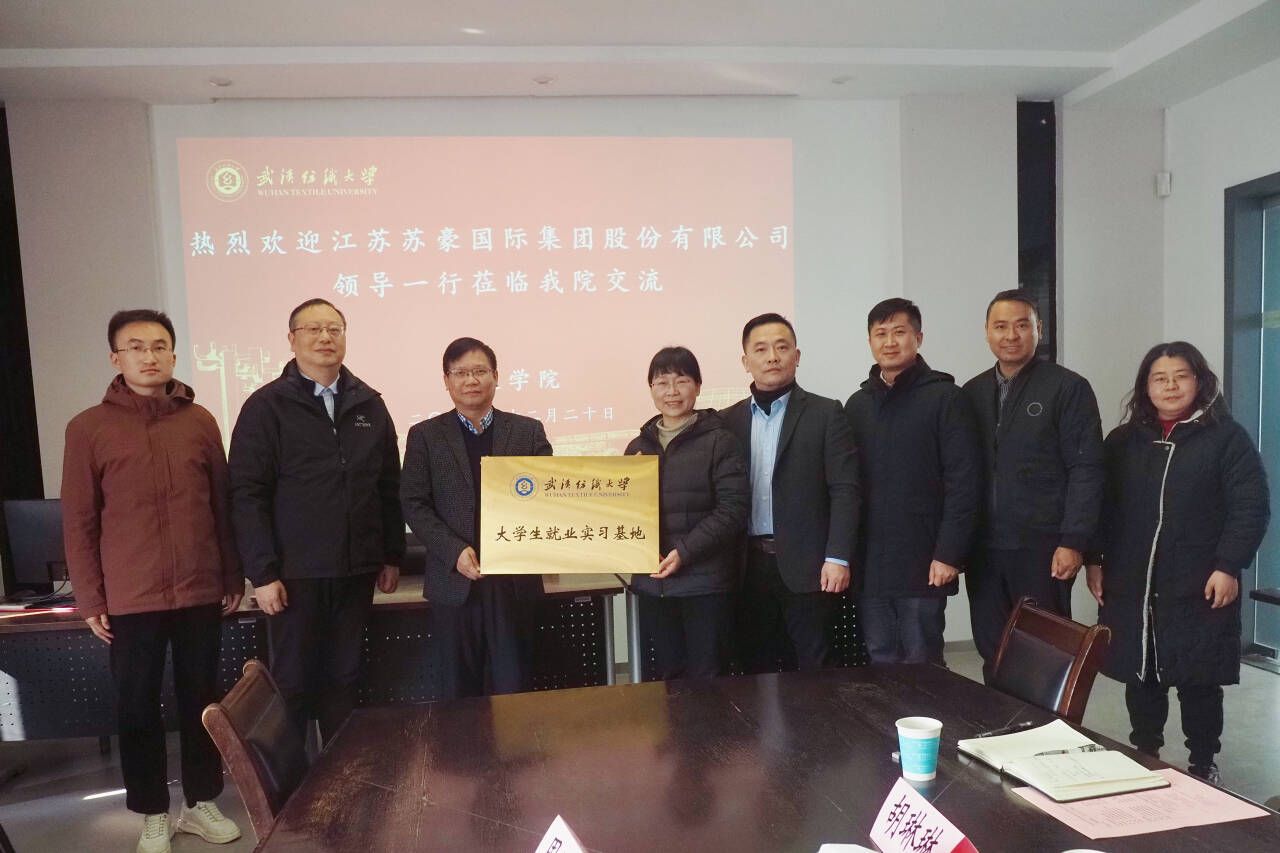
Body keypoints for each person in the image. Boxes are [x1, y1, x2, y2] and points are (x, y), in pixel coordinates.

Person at [62, 310, 242, 853]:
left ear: (173, 355)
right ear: (115, 358)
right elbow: (79, 520)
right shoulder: (88, 428)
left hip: (199, 588)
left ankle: (201, 802)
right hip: (131, 595)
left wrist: (231, 573)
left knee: (201, 700)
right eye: (136, 346)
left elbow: (222, 505)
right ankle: (152, 812)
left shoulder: (200, 421)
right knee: (137, 705)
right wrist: (90, 596)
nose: (149, 356)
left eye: (160, 346)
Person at [1086, 342, 1269, 785]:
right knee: (1142, 672)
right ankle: (1144, 751)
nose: (1170, 386)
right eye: (1160, 378)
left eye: (1180, 376)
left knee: (1198, 678)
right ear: (1145, 387)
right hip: (1133, 580)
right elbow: (1100, 506)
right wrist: (1094, 559)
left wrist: (1228, 565)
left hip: (1200, 582)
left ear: (1199, 381)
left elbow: (1250, 506)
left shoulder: (1226, 438)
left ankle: (1203, 763)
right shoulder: (1124, 441)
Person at [229, 298, 403, 743]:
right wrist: (262, 573)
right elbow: (247, 495)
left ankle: (339, 778)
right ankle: (290, 782)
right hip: (294, 575)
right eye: (313, 329)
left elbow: (388, 485)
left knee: (346, 679)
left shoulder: (368, 404)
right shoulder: (266, 406)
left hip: (356, 571)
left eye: (334, 329)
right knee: (292, 684)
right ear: (292, 339)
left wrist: (391, 554)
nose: (325, 337)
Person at [962, 290, 1105, 679]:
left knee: (1045, 649)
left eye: (1022, 325)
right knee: (993, 648)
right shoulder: (971, 392)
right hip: (985, 548)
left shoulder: (1067, 387)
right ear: (987, 332)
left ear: (1038, 329)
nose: (1011, 335)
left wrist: (1074, 541)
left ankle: (1041, 719)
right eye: (1001, 326)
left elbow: (1087, 469)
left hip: (1043, 546)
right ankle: (998, 715)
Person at [400, 337, 553, 698]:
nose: (471, 380)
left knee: (515, 689)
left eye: (480, 371)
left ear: (496, 376)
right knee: (458, 693)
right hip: (454, 582)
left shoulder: (527, 431)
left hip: (513, 582)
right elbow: (414, 503)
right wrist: (453, 550)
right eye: (461, 372)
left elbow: (549, 497)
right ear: (447, 380)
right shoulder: (425, 436)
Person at [844, 299, 981, 665]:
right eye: (881, 334)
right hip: (870, 564)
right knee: (879, 656)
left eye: (899, 332)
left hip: (924, 561)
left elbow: (964, 483)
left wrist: (949, 553)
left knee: (922, 660)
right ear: (870, 341)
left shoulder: (946, 398)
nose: (890, 342)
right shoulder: (857, 405)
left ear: (918, 338)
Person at [722, 313, 859, 672]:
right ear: (745, 361)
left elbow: (845, 490)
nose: (772, 357)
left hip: (809, 566)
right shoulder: (727, 421)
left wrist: (838, 557)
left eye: (782, 348)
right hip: (747, 567)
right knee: (756, 669)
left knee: (815, 667)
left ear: (797, 357)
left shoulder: (826, 413)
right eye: (761, 349)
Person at [624, 346, 749, 680]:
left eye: (681, 381)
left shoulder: (721, 441)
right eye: (662, 383)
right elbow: (626, 514)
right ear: (651, 388)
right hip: (653, 586)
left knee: (708, 681)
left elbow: (733, 509)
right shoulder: (637, 448)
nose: (672, 391)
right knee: (668, 681)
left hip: (705, 585)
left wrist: (684, 552)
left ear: (698, 386)